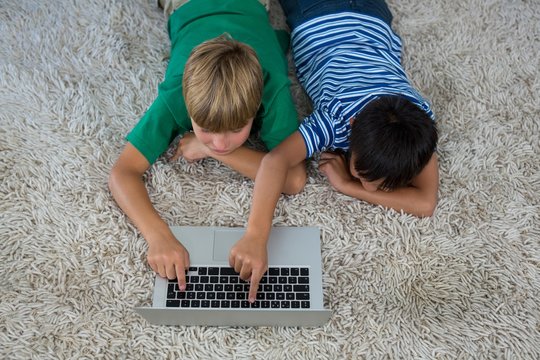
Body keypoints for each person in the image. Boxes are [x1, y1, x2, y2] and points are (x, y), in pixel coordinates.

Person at [229, 0, 439, 302]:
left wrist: (348, 185)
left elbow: (425, 203)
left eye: (386, 186)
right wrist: (255, 236)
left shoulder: (416, 122)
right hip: (313, 9)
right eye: (362, 175)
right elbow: (275, 161)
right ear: (352, 127)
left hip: (369, 12)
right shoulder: (336, 117)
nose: (371, 186)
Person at [108, 0, 305, 294]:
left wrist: (208, 148)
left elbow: (295, 179)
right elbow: (122, 172)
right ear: (188, 108)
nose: (222, 143)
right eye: (207, 131)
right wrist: (158, 236)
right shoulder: (176, 95)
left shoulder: (271, 89)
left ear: (255, 108)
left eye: (238, 129)